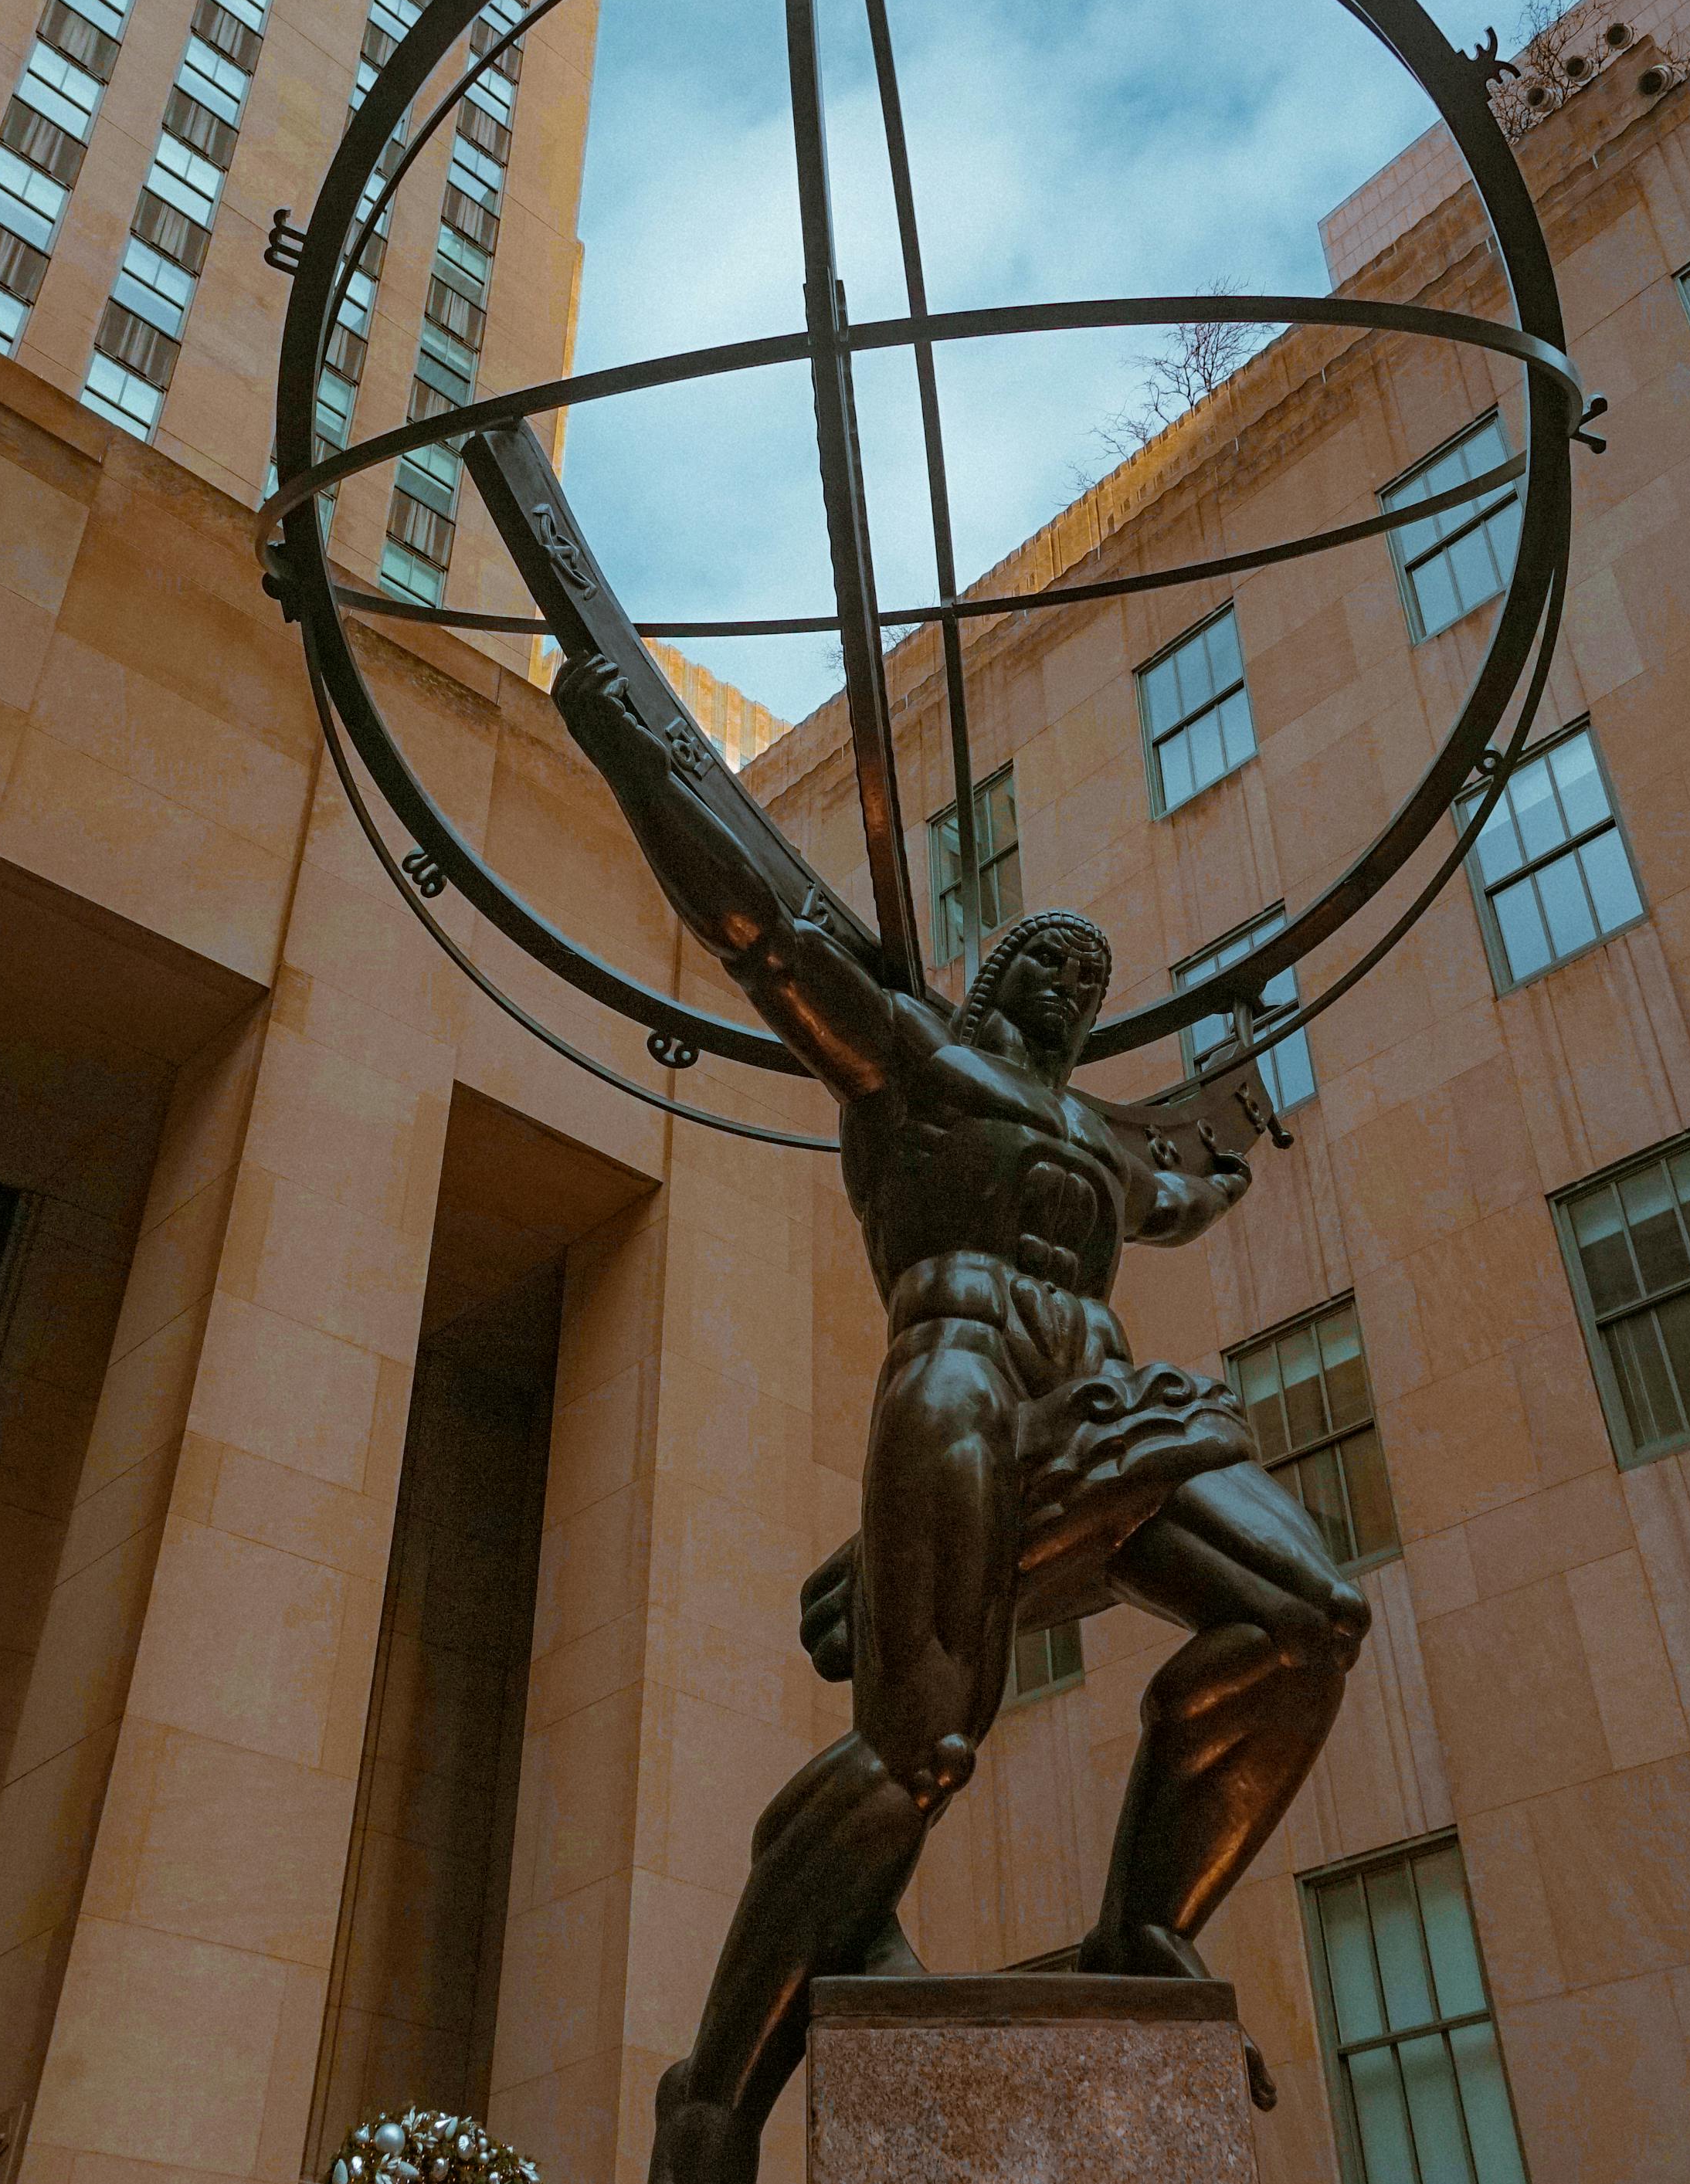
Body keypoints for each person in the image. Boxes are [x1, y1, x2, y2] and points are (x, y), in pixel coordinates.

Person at [548, 656, 1371, 2184]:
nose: (1073, 985)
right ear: (992, 978)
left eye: (1093, 977)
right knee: (919, 1750)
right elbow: (766, 928)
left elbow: (1199, 1166)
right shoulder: (912, 1064)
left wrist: (1257, 1069)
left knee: (1309, 1611)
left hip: (1109, 1404)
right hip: (963, 1379)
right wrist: (621, 733)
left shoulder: (1105, 1143)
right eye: (1049, 961)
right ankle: (712, 2097)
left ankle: (1139, 1928)